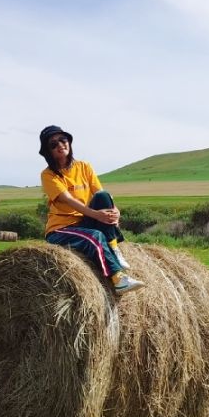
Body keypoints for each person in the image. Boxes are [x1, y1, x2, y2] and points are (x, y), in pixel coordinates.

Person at [38, 125, 144, 296]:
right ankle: (118, 280)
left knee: (103, 196)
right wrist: (96, 215)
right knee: (95, 236)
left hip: (83, 222)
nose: (59, 145)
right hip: (61, 229)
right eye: (53, 144)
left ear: (69, 142)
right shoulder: (48, 175)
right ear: (48, 152)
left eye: (63, 140)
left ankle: (114, 248)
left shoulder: (84, 166)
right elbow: (69, 201)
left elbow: (100, 194)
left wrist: (115, 211)